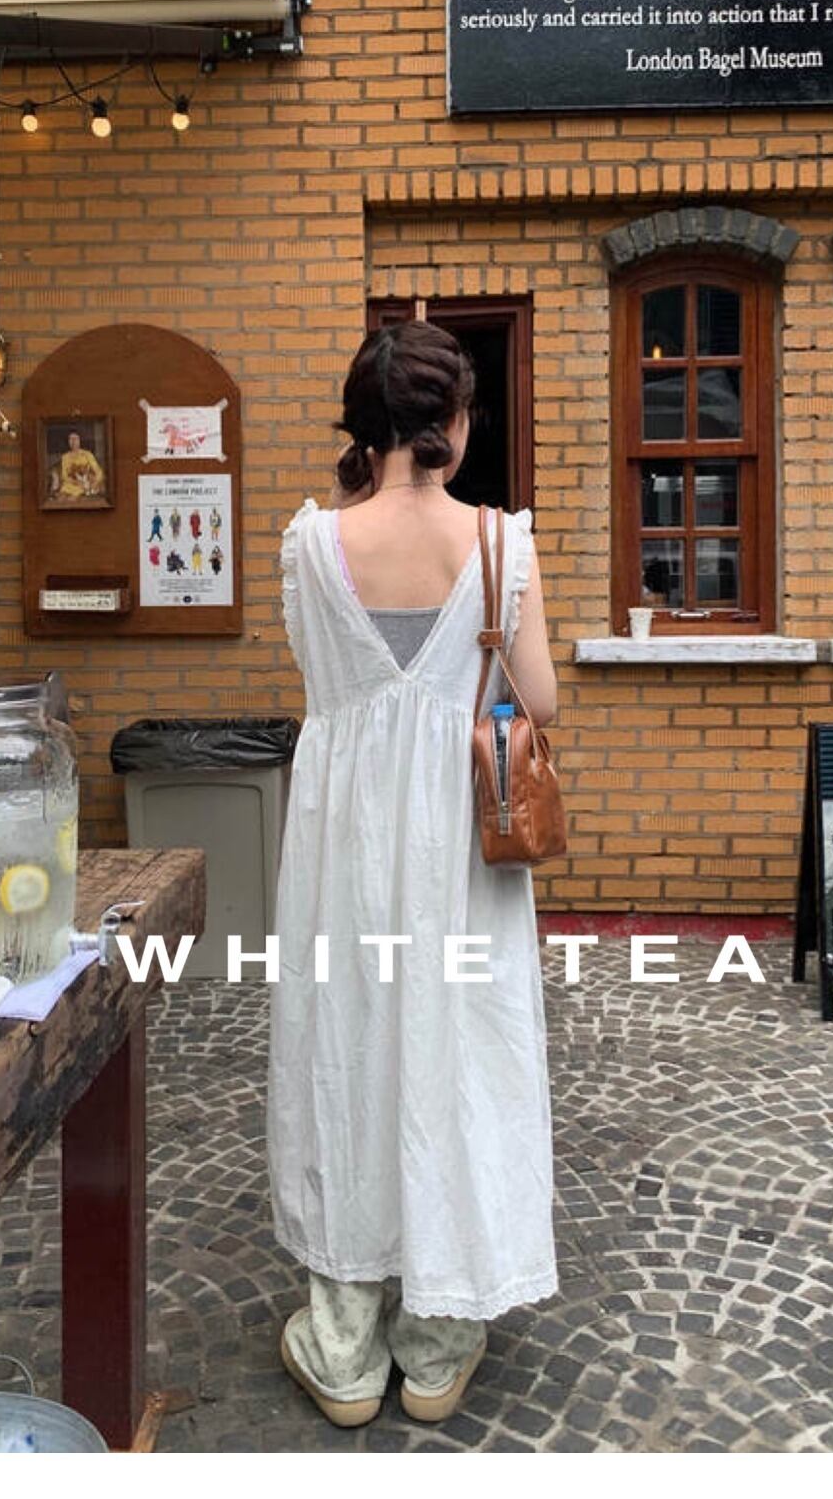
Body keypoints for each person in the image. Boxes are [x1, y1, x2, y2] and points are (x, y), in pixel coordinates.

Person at [269, 321, 560, 1430]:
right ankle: (436, 1347)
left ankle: (344, 1348)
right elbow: (540, 699)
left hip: (340, 843)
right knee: (457, 1052)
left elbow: (323, 677)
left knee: (343, 1050)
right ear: (455, 422)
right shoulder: (499, 543)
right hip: (457, 844)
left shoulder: (309, 543)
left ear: (363, 424)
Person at [52, 430, 105, 500]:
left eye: (76, 439)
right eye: (70, 439)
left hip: (85, 485)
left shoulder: (87, 454)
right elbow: (64, 476)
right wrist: (76, 482)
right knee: (61, 499)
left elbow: (99, 472)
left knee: (72, 499)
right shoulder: (65, 457)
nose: (73, 441)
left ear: (80, 440)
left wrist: (94, 483)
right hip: (70, 485)